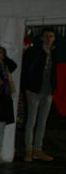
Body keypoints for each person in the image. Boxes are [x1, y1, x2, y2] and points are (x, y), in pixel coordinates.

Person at [21, 27, 59, 162]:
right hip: (34, 91)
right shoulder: (34, 52)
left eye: (51, 36)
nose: (49, 39)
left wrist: (54, 88)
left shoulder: (54, 53)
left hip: (47, 91)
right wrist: (27, 89)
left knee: (42, 121)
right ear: (42, 38)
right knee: (31, 121)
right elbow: (25, 71)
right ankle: (28, 150)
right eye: (47, 36)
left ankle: (38, 149)